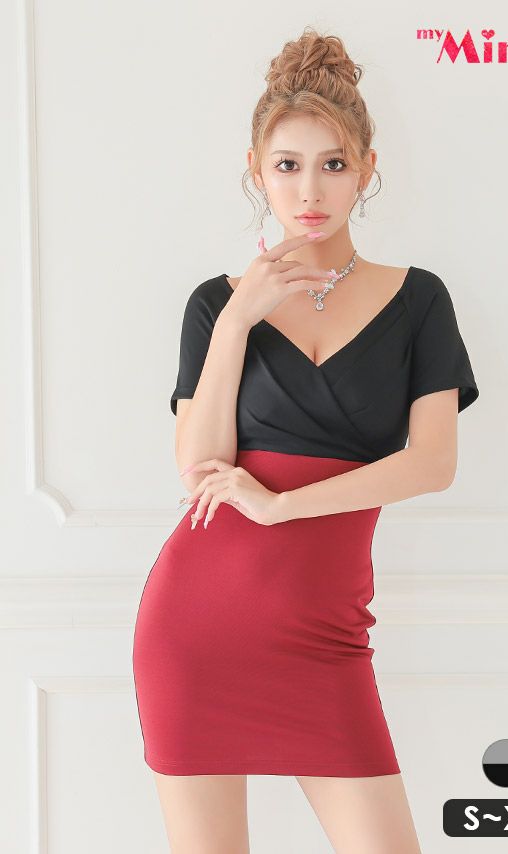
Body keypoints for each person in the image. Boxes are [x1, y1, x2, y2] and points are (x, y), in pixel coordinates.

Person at [132, 27, 479, 853]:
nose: (310, 188)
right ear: (257, 170)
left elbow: (432, 464)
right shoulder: (216, 305)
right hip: (194, 630)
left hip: (327, 638)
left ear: (366, 169)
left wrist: (282, 506)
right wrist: (238, 320)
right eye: (287, 165)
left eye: (333, 164)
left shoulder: (419, 300)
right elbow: (198, 465)